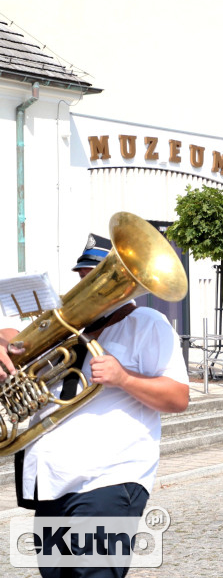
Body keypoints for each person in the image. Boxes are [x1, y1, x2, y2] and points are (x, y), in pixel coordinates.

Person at [0, 233, 190, 578]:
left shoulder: (147, 323)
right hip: (53, 480)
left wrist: (124, 378)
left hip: (108, 479)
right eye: (84, 277)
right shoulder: (61, 332)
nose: (86, 286)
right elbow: (17, 362)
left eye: (99, 276)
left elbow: (179, 397)